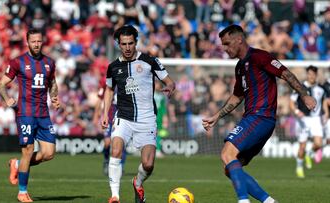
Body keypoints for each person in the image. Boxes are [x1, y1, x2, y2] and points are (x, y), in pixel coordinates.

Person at [202, 24, 316, 203]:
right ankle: (269, 201)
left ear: (239, 40)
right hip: (257, 119)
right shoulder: (240, 67)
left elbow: (286, 74)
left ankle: (243, 201)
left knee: (226, 154)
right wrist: (217, 116)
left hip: (260, 116)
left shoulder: (259, 56)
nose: (224, 49)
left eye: (227, 44)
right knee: (231, 168)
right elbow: (237, 96)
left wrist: (305, 95)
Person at [102, 25, 175, 203]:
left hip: (147, 118)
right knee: (116, 149)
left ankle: (138, 181)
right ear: (119, 44)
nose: (127, 47)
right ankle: (115, 196)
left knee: (148, 164)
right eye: (124, 44)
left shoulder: (150, 61)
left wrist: (170, 88)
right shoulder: (113, 67)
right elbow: (109, 90)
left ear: (136, 42)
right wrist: (105, 114)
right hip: (123, 117)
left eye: (131, 43)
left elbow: (169, 81)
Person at [0, 29, 60, 203]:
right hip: (25, 113)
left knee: (49, 153)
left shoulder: (49, 62)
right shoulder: (18, 62)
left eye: (39, 41)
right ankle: (22, 192)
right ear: (27, 42)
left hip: (43, 114)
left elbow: (53, 83)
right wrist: (7, 98)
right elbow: (1, 84)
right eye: (33, 41)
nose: (37, 44)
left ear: (43, 41)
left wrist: (54, 96)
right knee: (28, 151)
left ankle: (16, 165)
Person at [290, 65, 327, 178]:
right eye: (309, 74)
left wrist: (326, 113)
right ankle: (299, 167)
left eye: (313, 74)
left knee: (319, 144)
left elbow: (324, 102)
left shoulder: (321, 89)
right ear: (307, 75)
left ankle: (309, 154)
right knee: (302, 146)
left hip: (316, 119)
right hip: (303, 119)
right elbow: (291, 103)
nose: (311, 76)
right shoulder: (300, 88)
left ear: (316, 75)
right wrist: (297, 112)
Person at [93, 76, 127, 176]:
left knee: (121, 143)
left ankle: (121, 166)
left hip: (122, 118)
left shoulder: (127, 82)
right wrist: (96, 115)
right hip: (110, 117)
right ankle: (106, 160)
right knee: (107, 142)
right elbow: (99, 100)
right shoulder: (107, 83)